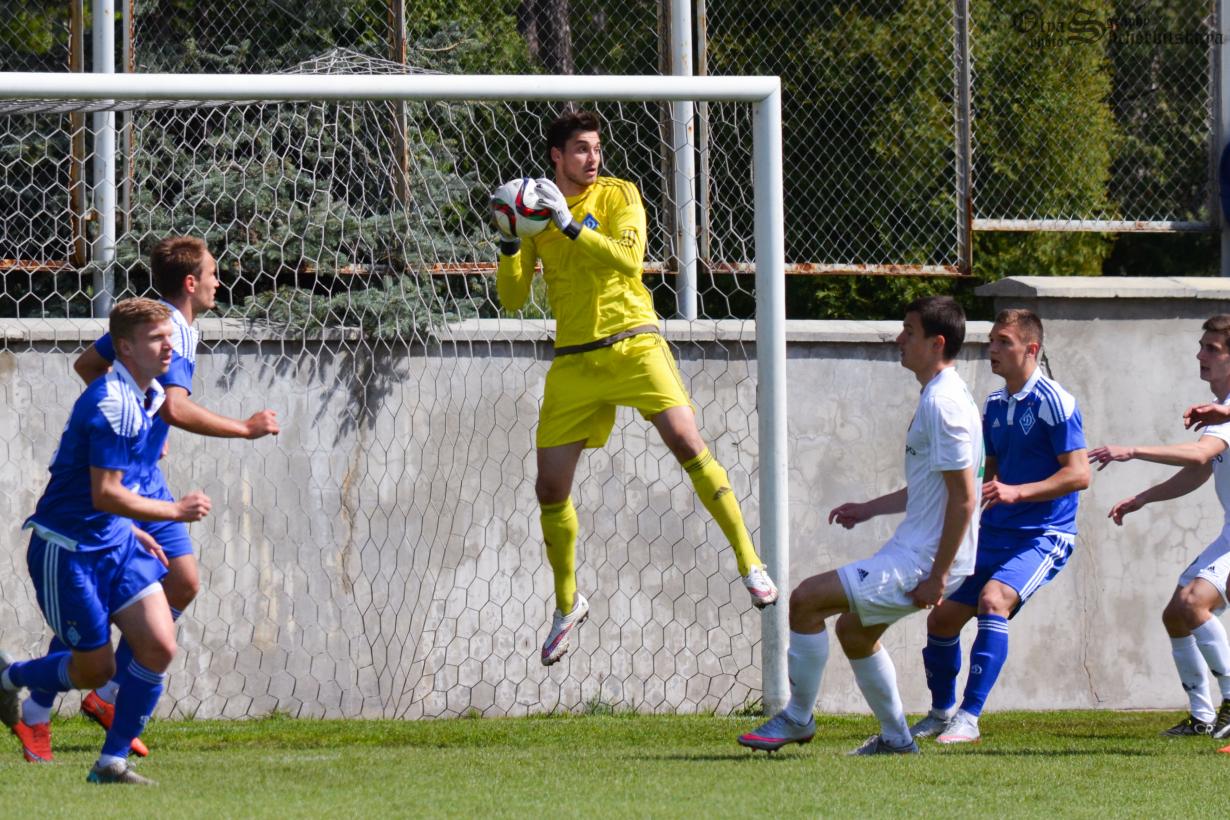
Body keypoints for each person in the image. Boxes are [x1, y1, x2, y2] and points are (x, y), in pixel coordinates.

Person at [491, 109, 778, 666]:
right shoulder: (534, 213)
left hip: (634, 343)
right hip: (574, 361)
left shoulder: (620, 194)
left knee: (687, 442)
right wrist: (508, 242)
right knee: (549, 489)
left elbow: (629, 261)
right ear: (556, 156)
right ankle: (567, 604)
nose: (592, 158)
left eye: (597, 148)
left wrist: (571, 226)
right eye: (581, 149)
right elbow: (513, 298)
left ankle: (750, 563)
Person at [10, 237, 278, 764]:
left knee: (180, 582)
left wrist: (140, 421)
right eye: (214, 273)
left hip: (142, 476)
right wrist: (244, 429)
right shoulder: (168, 328)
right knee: (130, 594)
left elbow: (89, 364)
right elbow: (175, 406)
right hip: (133, 487)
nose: (219, 281)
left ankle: (105, 697)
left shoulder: (152, 323)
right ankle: (45, 703)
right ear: (190, 283)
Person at [737, 296, 982, 755]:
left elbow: (965, 499)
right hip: (922, 552)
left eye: (909, 331)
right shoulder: (945, 394)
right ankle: (897, 740)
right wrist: (869, 509)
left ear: (936, 343)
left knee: (806, 600)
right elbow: (933, 487)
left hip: (925, 559)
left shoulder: (944, 404)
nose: (899, 339)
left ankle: (797, 718)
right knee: (855, 632)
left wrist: (938, 576)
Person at [0, 298, 212, 784]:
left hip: (116, 540)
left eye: (170, 337)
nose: (169, 346)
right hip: (69, 550)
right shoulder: (112, 402)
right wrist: (173, 512)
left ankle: (111, 763)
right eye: (156, 339)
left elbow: (110, 488)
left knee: (159, 644)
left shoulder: (147, 395)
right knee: (94, 670)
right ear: (125, 348)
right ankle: (11, 679)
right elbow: (106, 492)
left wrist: (133, 529)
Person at [909, 309, 1089, 744]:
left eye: (1003, 341)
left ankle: (969, 718)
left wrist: (1016, 492)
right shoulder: (992, 404)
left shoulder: (1054, 401)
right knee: (941, 619)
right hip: (995, 532)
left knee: (994, 600)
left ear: (1031, 349)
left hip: (1043, 534)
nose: (992, 348)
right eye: (991, 340)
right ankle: (940, 714)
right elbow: (988, 473)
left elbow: (1079, 474)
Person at [1090, 315, 1230, 740]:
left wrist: (1132, 450)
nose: (1200, 355)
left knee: (1192, 603)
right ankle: (1203, 716)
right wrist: (1144, 498)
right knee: (1176, 616)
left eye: (1212, 349)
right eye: (1201, 346)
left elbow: (1198, 453)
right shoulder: (1221, 411)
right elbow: (1200, 469)